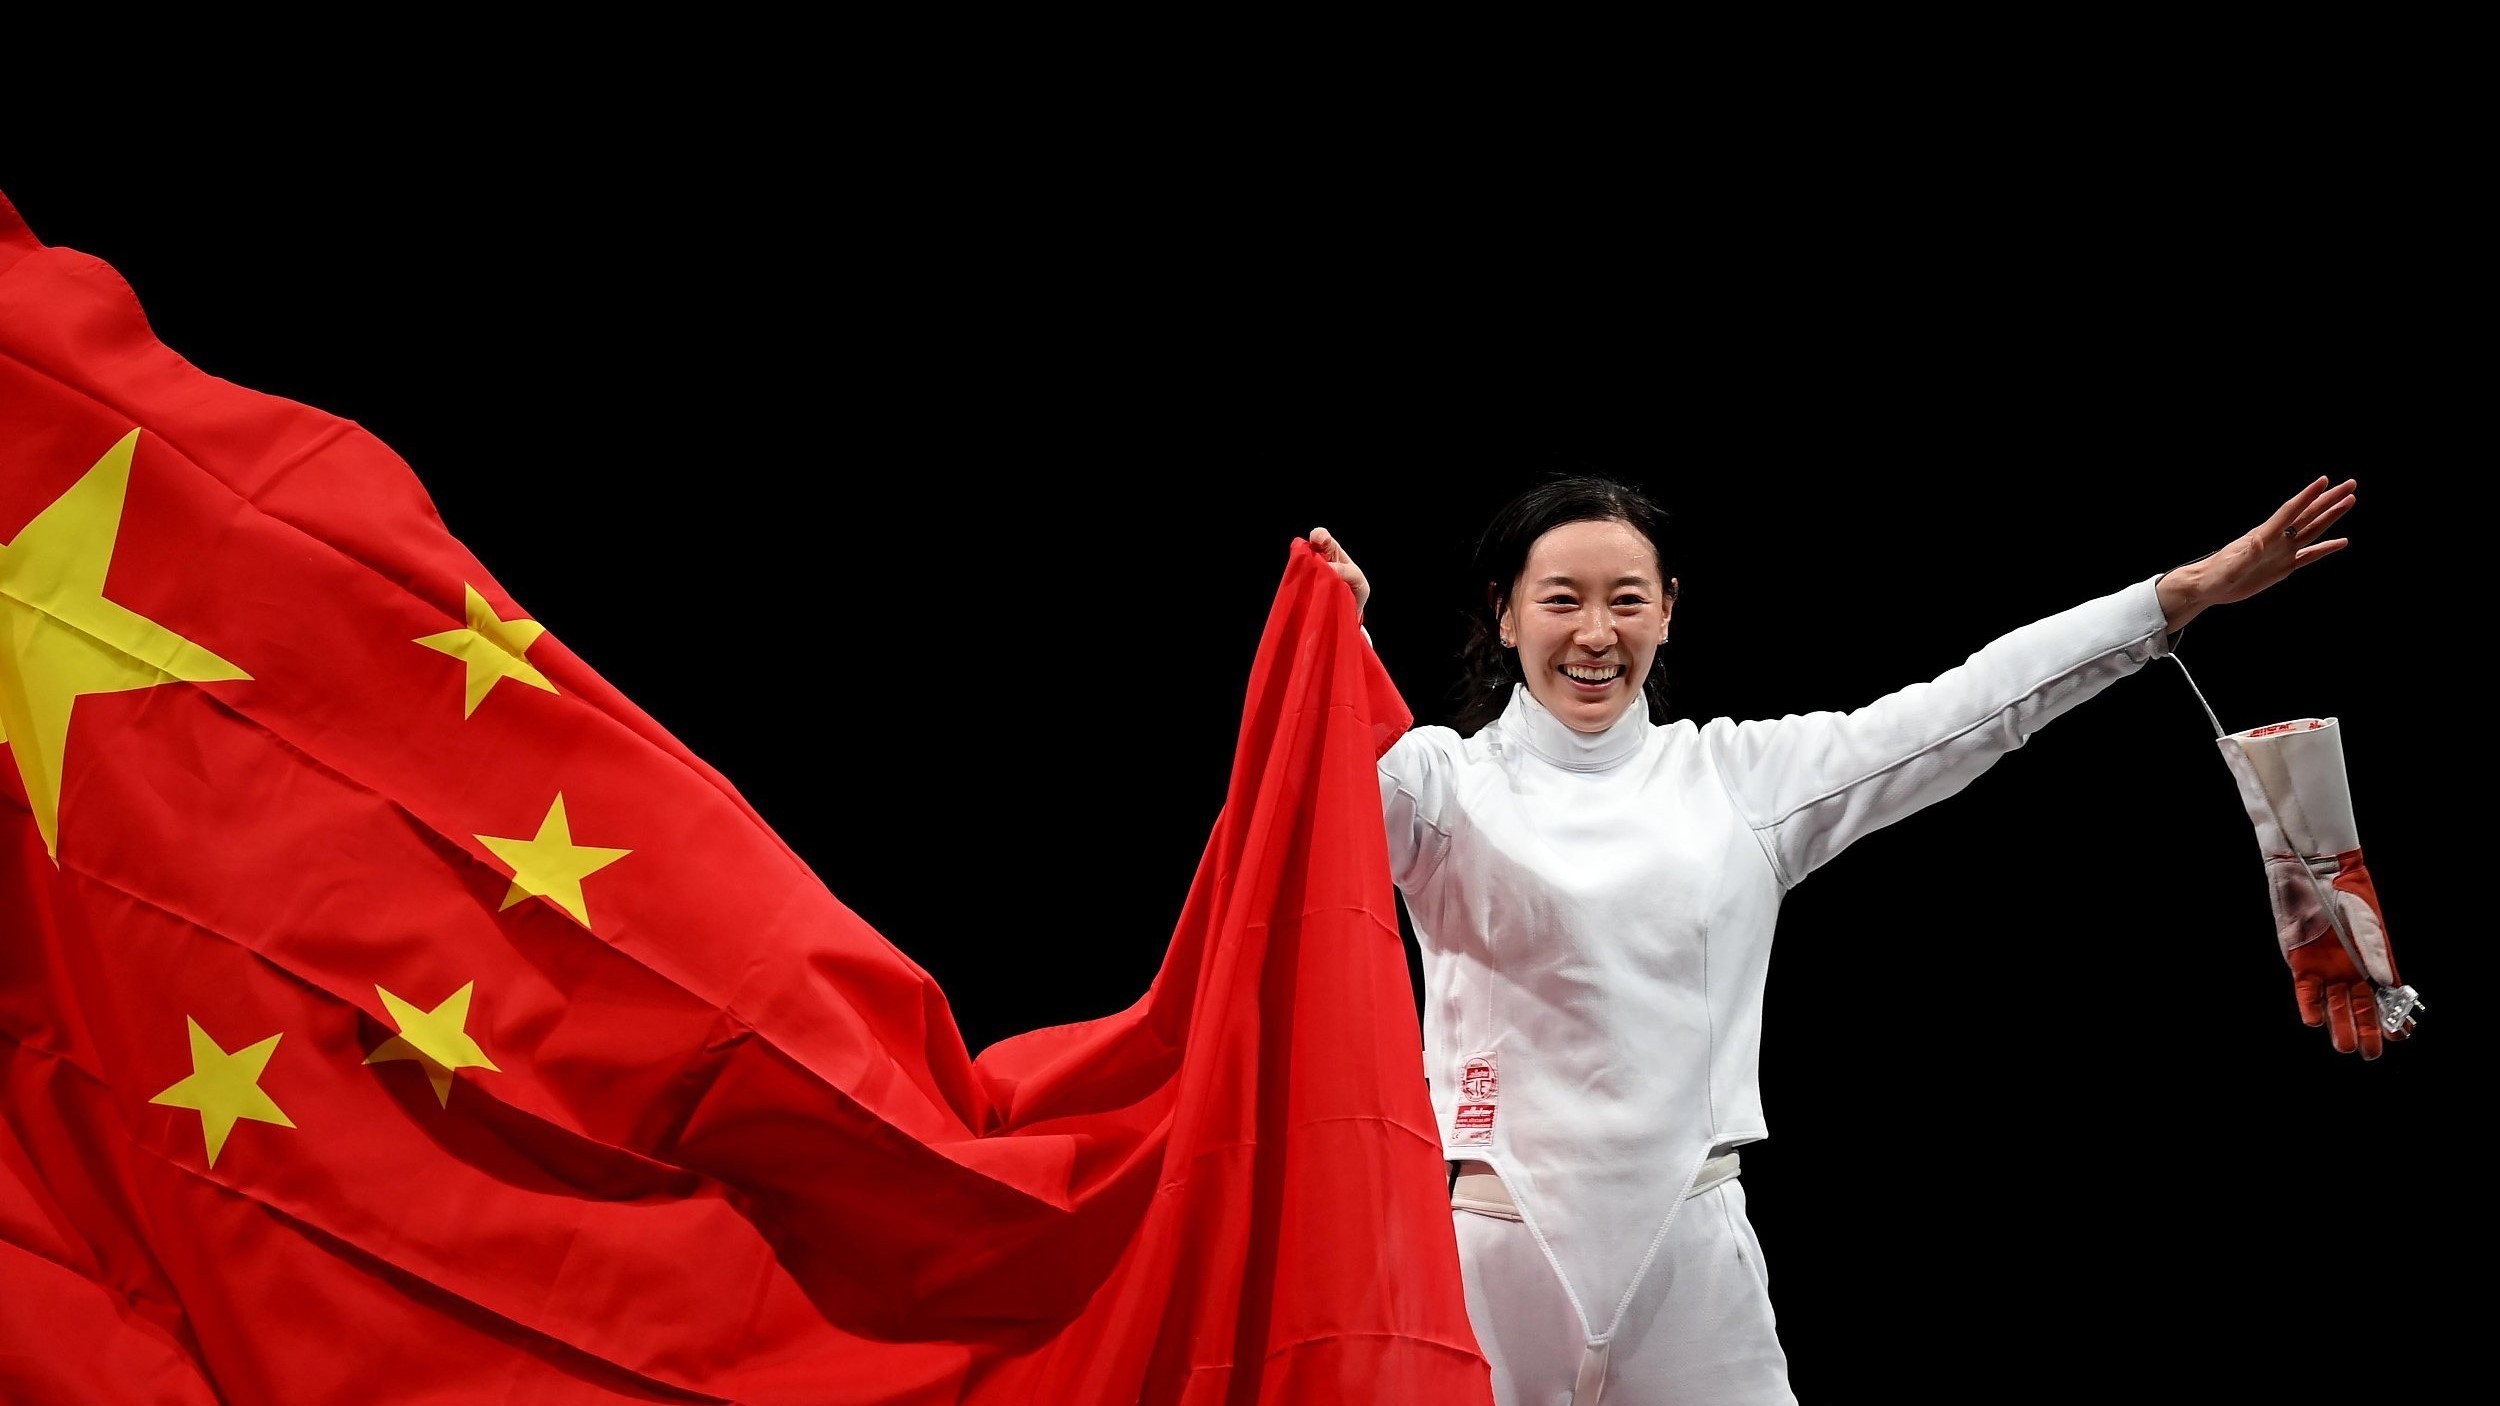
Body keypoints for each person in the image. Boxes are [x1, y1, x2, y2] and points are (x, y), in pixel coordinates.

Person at [1301, 473, 2369, 1405]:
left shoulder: (1742, 780)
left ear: (1667, 612)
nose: (1595, 632)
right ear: (1503, 614)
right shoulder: (1439, 784)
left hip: (1691, 1257)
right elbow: (1295, 812)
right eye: (1560, 599)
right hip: (1491, 1254)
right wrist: (1333, 648)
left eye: (1626, 599)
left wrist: (2175, 596)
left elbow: (1970, 708)